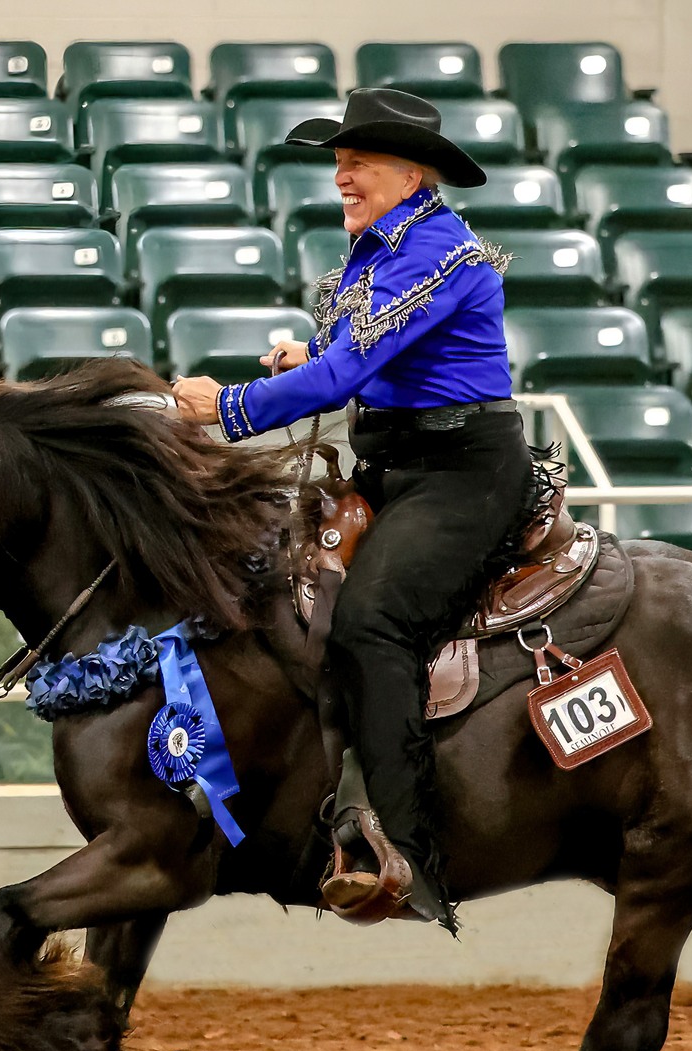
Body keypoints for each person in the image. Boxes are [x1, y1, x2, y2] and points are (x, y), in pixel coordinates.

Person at [172, 88, 528, 924]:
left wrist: (227, 407)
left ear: (411, 173)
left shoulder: (440, 250)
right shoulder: (385, 247)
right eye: (339, 160)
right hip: (399, 465)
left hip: (461, 475)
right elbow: (354, 352)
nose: (341, 174)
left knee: (373, 622)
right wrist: (312, 348)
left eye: (357, 161)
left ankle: (406, 849)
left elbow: (340, 378)